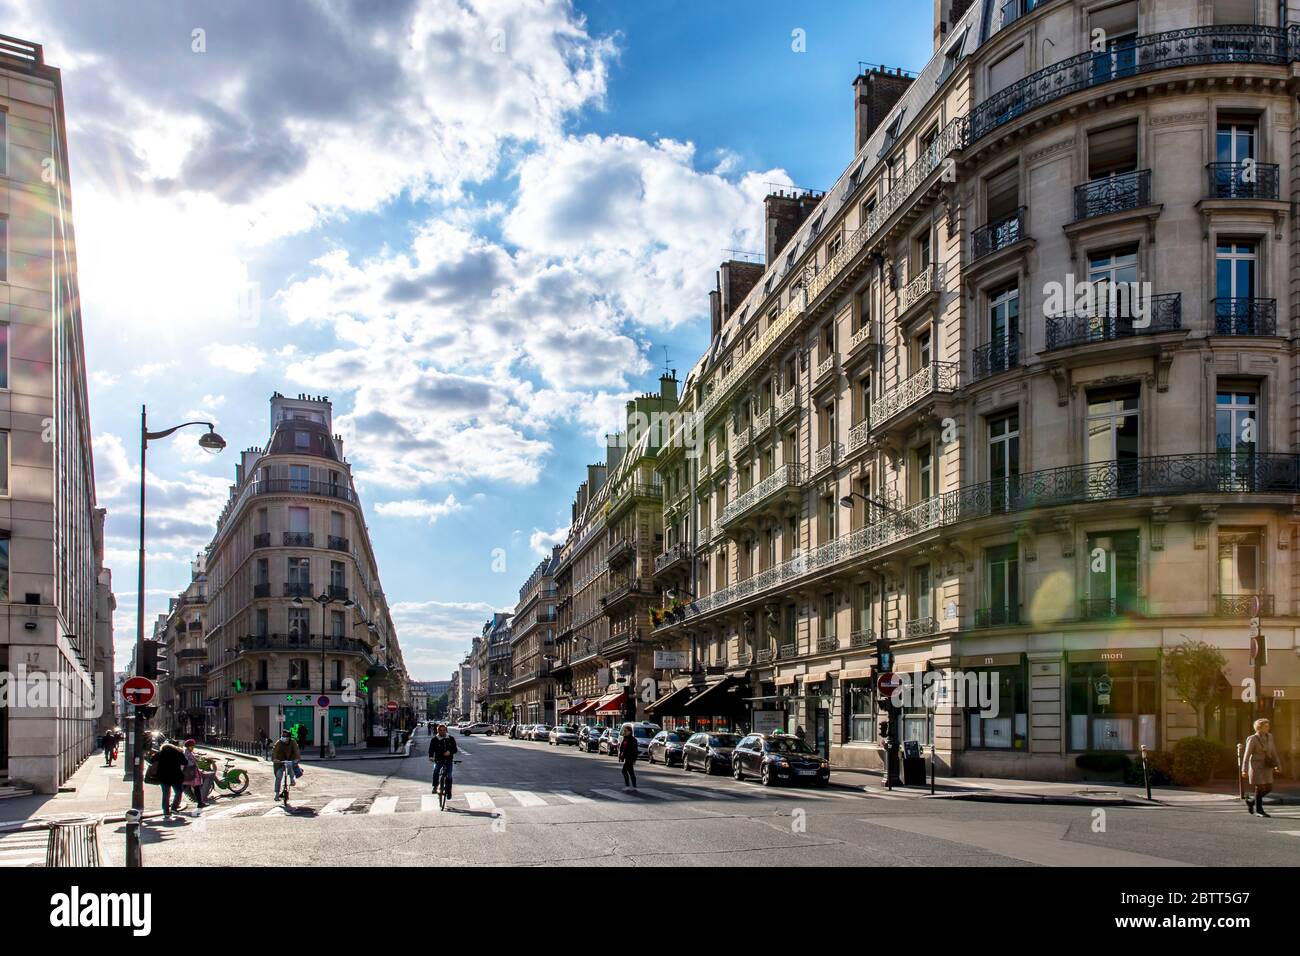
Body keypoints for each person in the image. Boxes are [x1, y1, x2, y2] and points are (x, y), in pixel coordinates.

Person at [1242, 717, 1283, 817]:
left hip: (1267, 766)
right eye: (1265, 726)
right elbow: (1247, 755)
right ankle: (1259, 811)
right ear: (1259, 728)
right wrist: (1244, 770)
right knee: (1260, 787)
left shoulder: (1270, 737)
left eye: (1268, 726)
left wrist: (1278, 765)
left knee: (1269, 788)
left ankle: (1251, 802)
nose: (1268, 728)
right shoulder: (1252, 739)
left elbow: (1274, 752)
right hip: (1256, 766)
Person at [149, 740, 187, 820]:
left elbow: (151, 760)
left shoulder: (160, 753)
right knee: (178, 792)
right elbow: (185, 762)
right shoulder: (178, 753)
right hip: (176, 776)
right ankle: (174, 807)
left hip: (163, 777)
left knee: (166, 794)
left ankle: (166, 811)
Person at [428, 723, 457, 806]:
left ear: (446, 730)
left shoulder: (451, 738)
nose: (442, 732)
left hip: (448, 759)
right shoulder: (435, 739)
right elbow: (431, 749)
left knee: (449, 775)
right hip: (439, 759)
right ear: (438, 731)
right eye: (440, 730)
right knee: (436, 770)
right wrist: (431, 757)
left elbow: (455, 749)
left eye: (444, 730)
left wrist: (450, 752)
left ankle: (449, 791)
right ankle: (435, 786)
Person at [271, 727, 301, 806]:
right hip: (280, 762)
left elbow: (296, 751)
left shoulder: (293, 742)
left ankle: (292, 780)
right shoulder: (278, 743)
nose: (283, 738)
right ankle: (277, 794)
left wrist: (297, 759)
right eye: (282, 736)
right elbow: (274, 751)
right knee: (278, 776)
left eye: (285, 737)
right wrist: (274, 759)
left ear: (289, 738)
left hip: (290, 760)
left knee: (290, 765)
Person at [181, 739, 208, 809]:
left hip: (191, 772)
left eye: (193, 746)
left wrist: (195, 758)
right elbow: (185, 762)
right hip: (189, 772)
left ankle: (200, 803)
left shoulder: (188, 752)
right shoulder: (186, 752)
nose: (193, 747)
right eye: (191, 746)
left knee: (194, 787)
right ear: (188, 746)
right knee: (186, 787)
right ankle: (200, 803)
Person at [617, 725, 638, 790]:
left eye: (626, 731)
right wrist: (621, 756)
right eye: (624, 731)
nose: (624, 732)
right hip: (627, 758)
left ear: (630, 732)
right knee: (630, 772)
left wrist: (634, 759)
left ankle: (628, 786)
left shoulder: (633, 740)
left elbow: (635, 750)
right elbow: (622, 748)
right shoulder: (625, 738)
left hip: (630, 758)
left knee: (624, 771)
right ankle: (633, 786)